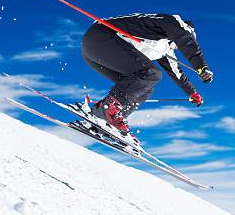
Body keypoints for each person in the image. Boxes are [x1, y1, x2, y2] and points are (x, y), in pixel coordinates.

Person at [80, 13, 213, 138]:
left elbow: (176, 72)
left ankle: (106, 119)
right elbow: (186, 40)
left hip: (94, 53)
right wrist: (201, 67)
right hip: (101, 37)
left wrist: (192, 93)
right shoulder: (175, 23)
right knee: (150, 73)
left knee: (144, 87)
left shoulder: (164, 48)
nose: (177, 48)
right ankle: (107, 111)